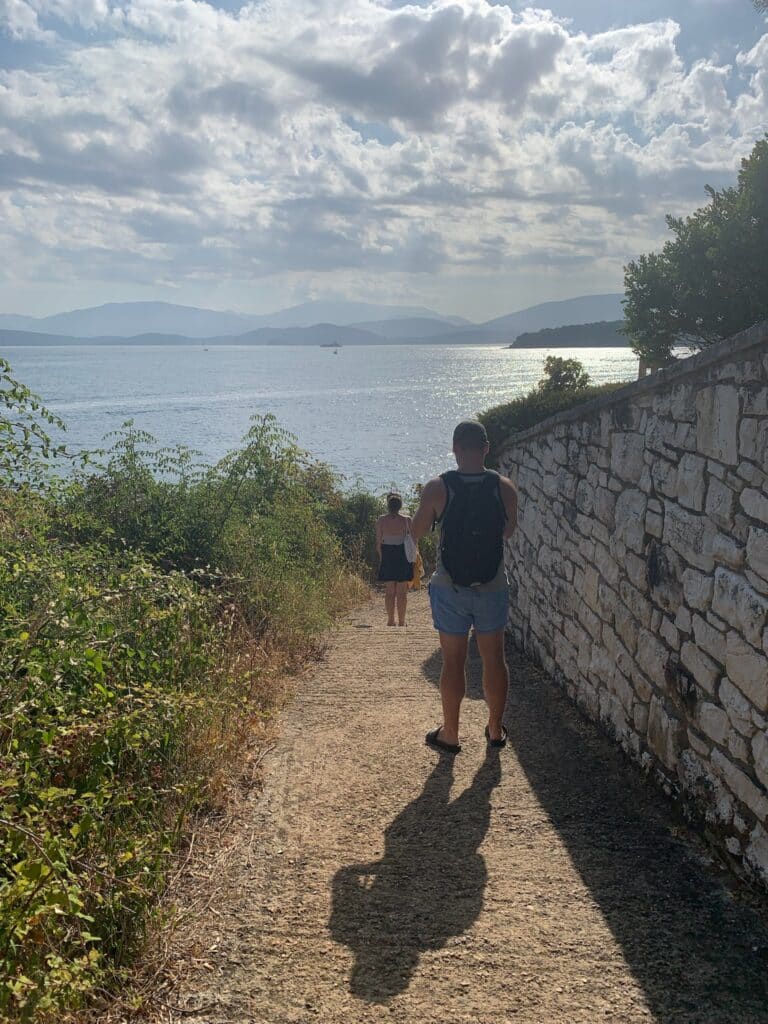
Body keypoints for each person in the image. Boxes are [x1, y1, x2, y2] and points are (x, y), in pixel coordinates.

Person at [411, 420, 518, 753]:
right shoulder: (504, 487)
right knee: (494, 659)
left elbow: (416, 531)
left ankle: (451, 734)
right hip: (492, 584)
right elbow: (508, 532)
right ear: (487, 448)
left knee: (453, 661)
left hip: (450, 587)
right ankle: (495, 731)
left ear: (455, 448)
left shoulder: (437, 488)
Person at [375, 492, 414, 626]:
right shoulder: (407, 520)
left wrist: (382, 558)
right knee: (402, 592)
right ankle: (402, 621)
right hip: (402, 555)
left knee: (390, 591)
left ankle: (390, 620)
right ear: (400, 506)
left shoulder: (381, 520)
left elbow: (378, 543)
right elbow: (414, 542)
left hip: (387, 554)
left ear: (388, 505)